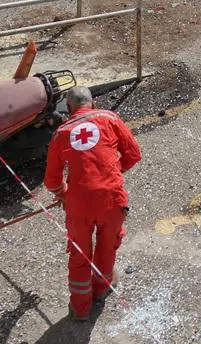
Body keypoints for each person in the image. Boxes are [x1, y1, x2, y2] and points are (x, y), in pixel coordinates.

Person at [44, 86, 142, 322]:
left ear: (69, 108)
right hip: (111, 198)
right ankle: (101, 289)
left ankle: (80, 309)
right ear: (93, 104)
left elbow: (51, 180)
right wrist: (112, 173)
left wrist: (63, 193)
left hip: (78, 204)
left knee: (80, 254)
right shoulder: (110, 118)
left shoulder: (61, 133)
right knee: (107, 246)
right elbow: (133, 154)